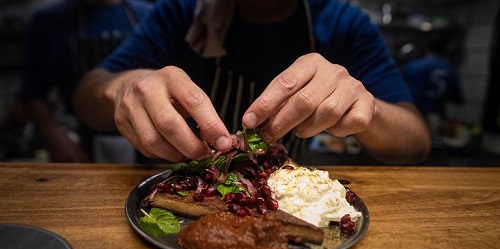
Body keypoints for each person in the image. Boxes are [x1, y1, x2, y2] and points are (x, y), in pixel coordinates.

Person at [74, 0, 431, 165]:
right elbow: (86, 95)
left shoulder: (344, 23)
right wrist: (120, 88)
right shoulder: (180, 13)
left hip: (283, 202)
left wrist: (363, 108)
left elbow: (415, 144)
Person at [20, 0, 152, 162]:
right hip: (80, 138)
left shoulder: (148, 15)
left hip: (145, 138)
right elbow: (33, 91)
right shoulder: (48, 21)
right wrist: (51, 133)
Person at [402, 37, 464, 144]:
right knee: (430, 146)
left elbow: (397, 87)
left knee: (407, 145)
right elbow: (458, 99)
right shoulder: (449, 69)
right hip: (436, 116)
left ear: (427, 50)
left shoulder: (414, 66)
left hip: (412, 112)